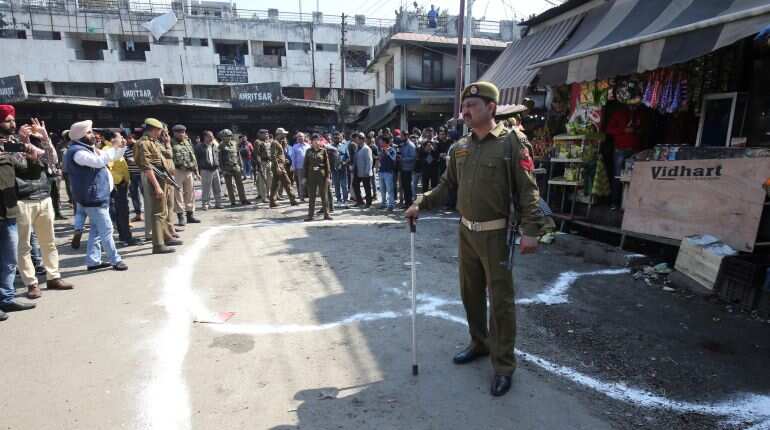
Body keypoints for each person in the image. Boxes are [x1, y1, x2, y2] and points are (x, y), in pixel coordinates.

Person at [405, 82, 545, 397]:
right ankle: (480, 344)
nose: (466, 112)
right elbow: (445, 186)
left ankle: (504, 365)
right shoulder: (460, 148)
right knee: (469, 294)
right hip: (466, 231)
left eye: (473, 106)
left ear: (491, 108)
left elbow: (528, 189)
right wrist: (421, 202)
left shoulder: (512, 143)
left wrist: (531, 231)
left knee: (501, 302)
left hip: (496, 233)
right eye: (464, 106)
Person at [10, 110, 74, 299]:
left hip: (43, 197)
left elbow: (52, 160)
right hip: (22, 200)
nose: (13, 124)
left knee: (49, 242)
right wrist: (23, 143)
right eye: (9, 121)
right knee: (24, 246)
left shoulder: (35, 144)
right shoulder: (8, 144)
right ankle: (31, 283)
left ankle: (53, 277)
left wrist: (44, 137)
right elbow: (17, 162)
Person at [64, 121, 129, 271]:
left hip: (98, 195)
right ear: (80, 135)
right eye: (89, 132)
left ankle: (93, 261)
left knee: (97, 231)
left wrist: (121, 146)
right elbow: (100, 162)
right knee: (106, 229)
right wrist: (114, 146)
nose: (93, 135)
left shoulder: (87, 149)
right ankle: (115, 260)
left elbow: (111, 157)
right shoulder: (78, 152)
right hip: (93, 198)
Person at [0, 104, 37, 319]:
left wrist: (31, 154)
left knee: (9, 259)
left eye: (13, 120)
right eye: (8, 120)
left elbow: (27, 170)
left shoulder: (11, 146)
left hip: (9, 209)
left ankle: (6, 298)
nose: (13, 124)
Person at [134, 118, 181, 254]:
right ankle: (158, 244)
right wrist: (157, 186)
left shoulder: (153, 142)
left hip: (162, 178)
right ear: (154, 129)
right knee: (158, 213)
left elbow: (165, 157)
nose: (162, 133)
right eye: (160, 130)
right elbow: (147, 166)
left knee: (164, 210)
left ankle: (166, 237)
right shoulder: (143, 143)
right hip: (154, 179)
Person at [103, 131, 140, 247]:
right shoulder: (107, 150)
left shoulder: (115, 149)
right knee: (121, 213)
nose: (123, 139)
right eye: (120, 137)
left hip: (121, 184)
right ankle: (125, 238)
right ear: (113, 139)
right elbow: (107, 169)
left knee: (123, 212)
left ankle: (125, 236)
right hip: (117, 186)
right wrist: (117, 182)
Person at [606, 105, 642, 210]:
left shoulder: (639, 113)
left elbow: (643, 129)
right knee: (618, 176)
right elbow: (609, 130)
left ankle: (629, 203)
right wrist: (623, 130)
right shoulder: (619, 113)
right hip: (620, 149)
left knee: (633, 177)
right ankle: (614, 202)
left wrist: (637, 131)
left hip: (635, 149)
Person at [170, 124, 201, 226]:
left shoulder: (187, 142)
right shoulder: (170, 143)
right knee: (178, 194)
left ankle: (190, 215)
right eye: (179, 132)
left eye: (183, 132)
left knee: (190, 193)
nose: (181, 134)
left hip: (189, 171)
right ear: (174, 133)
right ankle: (181, 217)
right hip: (177, 171)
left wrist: (196, 171)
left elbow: (193, 157)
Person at [303, 133, 332, 222]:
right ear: (311, 142)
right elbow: (305, 165)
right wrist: (305, 177)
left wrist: (328, 176)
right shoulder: (308, 151)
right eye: (314, 140)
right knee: (312, 196)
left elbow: (327, 165)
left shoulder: (323, 151)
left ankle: (326, 214)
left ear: (320, 141)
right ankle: (310, 215)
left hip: (322, 175)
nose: (316, 142)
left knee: (324, 195)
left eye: (317, 140)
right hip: (311, 176)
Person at [218, 129, 250, 206]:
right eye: (225, 136)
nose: (227, 138)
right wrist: (222, 170)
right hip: (227, 168)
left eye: (229, 136)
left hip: (236, 166)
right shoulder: (221, 145)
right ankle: (233, 201)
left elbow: (238, 155)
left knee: (240, 185)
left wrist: (241, 166)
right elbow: (219, 159)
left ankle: (243, 200)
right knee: (229, 186)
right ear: (222, 137)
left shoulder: (235, 143)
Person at [268, 128, 298, 207]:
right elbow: (273, 156)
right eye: (283, 134)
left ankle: (272, 201)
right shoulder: (275, 143)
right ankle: (293, 199)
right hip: (279, 166)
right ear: (279, 134)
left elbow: (279, 154)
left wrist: (285, 159)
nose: (285, 135)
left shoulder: (280, 142)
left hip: (280, 165)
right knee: (287, 182)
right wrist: (278, 167)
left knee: (275, 184)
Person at [195, 130, 223, 210]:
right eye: (210, 136)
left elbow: (218, 156)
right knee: (206, 188)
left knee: (217, 187)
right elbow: (196, 159)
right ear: (205, 137)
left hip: (215, 169)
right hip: (205, 170)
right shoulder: (199, 147)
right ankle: (205, 204)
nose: (212, 138)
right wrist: (197, 171)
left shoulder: (214, 146)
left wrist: (219, 167)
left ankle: (218, 203)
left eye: (212, 136)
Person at [125, 133, 143, 222]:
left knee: (145, 194)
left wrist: (134, 160)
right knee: (134, 195)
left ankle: (149, 214)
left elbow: (144, 160)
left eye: (128, 139)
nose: (126, 141)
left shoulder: (140, 147)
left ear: (132, 138)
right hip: (131, 174)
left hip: (141, 174)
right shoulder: (126, 149)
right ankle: (138, 214)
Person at [352, 132, 373, 208]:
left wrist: (367, 171)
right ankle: (359, 201)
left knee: (367, 187)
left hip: (365, 171)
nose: (357, 140)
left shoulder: (366, 148)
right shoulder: (358, 147)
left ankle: (368, 202)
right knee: (355, 184)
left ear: (362, 140)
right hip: (358, 171)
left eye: (359, 139)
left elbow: (369, 161)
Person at [378, 135, 397, 211]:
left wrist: (387, 152)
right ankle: (383, 203)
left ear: (386, 142)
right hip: (381, 171)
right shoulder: (381, 150)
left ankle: (391, 205)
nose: (380, 143)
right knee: (382, 189)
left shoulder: (392, 150)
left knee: (390, 189)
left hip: (389, 172)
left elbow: (394, 159)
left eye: (381, 142)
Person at [419, 127, 441, 193]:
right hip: (425, 168)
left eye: (430, 132)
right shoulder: (422, 143)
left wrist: (433, 150)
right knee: (424, 187)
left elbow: (438, 156)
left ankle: (434, 202)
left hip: (434, 168)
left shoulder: (437, 143)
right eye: (427, 132)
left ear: (433, 133)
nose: (429, 134)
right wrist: (425, 151)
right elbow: (420, 156)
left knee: (434, 187)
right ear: (425, 133)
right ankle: (425, 202)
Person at [253, 129, 273, 204]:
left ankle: (269, 194)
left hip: (269, 162)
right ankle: (264, 197)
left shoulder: (268, 141)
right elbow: (257, 154)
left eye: (267, 134)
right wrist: (259, 165)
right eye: (265, 134)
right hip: (262, 162)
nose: (267, 135)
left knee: (270, 179)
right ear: (260, 134)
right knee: (263, 181)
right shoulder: (257, 142)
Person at [399, 133, 417, 207]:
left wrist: (402, 159)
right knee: (404, 186)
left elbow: (413, 157)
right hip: (403, 168)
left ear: (406, 136)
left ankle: (409, 203)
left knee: (408, 187)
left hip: (408, 169)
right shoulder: (403, 145)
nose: (401, 138)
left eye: (402, 136)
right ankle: (407, 203)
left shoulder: (411, 145)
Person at [291, 132, 310, 202]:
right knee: (301, 182)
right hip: (300, 167)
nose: (300, 138)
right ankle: (302, 197)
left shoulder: (308, 146)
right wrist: (294, 167)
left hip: (308, 167)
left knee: (309, 182)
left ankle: (309, 195)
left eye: (301, 136)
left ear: (304, 137)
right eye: (298, 137)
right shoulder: (295, 147)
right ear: (297, 138)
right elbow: (293, 158)